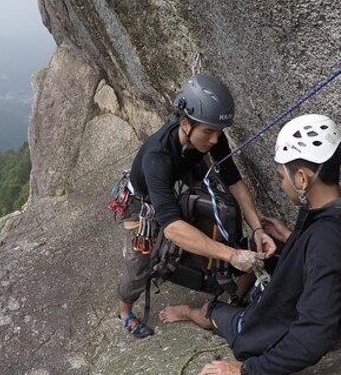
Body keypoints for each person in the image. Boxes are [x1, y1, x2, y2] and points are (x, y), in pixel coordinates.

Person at [159, 114, 341, 375]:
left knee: (213, 312)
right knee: (252, 254)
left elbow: (314, 334)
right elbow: (321, 259)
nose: (281, 184)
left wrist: (245, 371)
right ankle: (238, 298)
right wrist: (288, 237)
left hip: (269, 328)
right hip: (287, 295)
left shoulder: (329, 240)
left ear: (302, 179)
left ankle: (193, 312)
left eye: (282, 177)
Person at [117, 74, 277, 338]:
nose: (215, 140)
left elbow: (234, 182)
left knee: (221, 211)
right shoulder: (158, 156)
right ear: (185, 124)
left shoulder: (207, 135)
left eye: (218, 132)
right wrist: (231, 254)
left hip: (185, 172)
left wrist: (257, 228)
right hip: (142, 204)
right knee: (140, 263)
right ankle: (124, 311)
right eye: (208, 132)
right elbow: (171, 228)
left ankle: (221, 273)